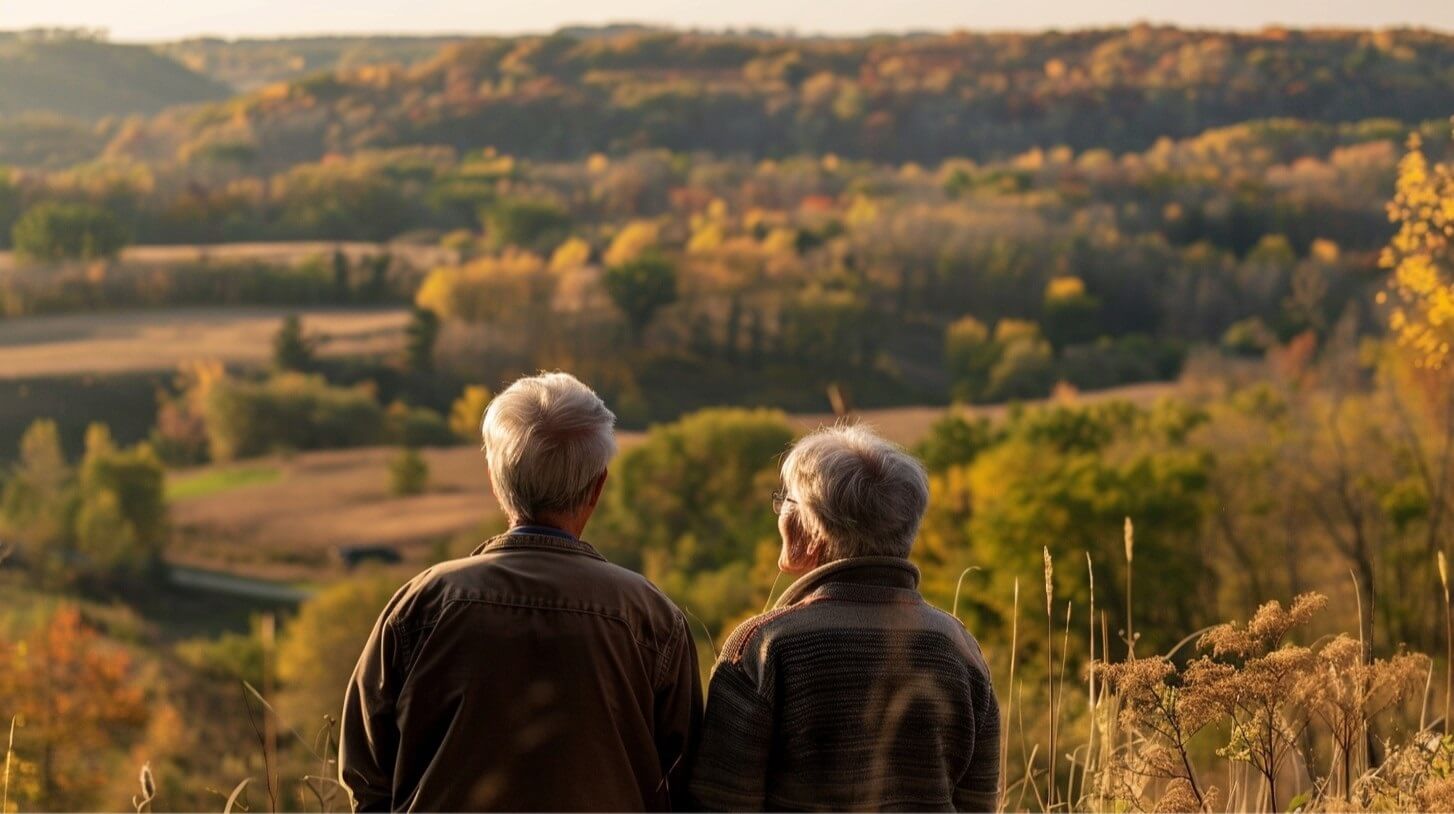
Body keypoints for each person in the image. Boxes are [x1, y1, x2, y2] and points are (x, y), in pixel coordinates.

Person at [339, 372, 701, 812]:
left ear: (495, 480)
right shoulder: (652, 618)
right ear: (598, 487)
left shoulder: (423, 603)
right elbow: (687, 784)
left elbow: (366, 775)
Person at [689, 424, 1001, 811]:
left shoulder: (764, 646)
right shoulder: (959, 647)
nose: (780, 513)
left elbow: (721, 805)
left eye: (786, 501)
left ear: (809, 528)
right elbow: (979, 804)